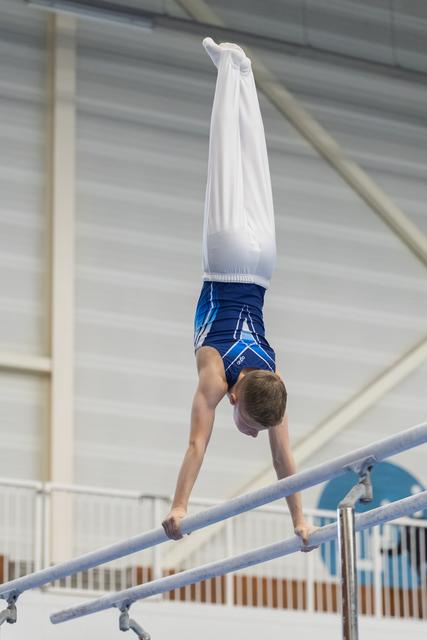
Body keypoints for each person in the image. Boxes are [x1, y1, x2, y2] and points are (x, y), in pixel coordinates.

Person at [162, 38, 316, 551]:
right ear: (234, 394)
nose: (250, 432)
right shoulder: (216, 375)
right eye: (250, 425)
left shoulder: (273, 383)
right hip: (227, 257)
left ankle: (243, 71)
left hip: (264, 264)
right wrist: (180, 505)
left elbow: (282, 460)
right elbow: (197, 444)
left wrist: (301, 520)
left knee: (253, 167)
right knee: (227, 160)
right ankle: (229, 64)